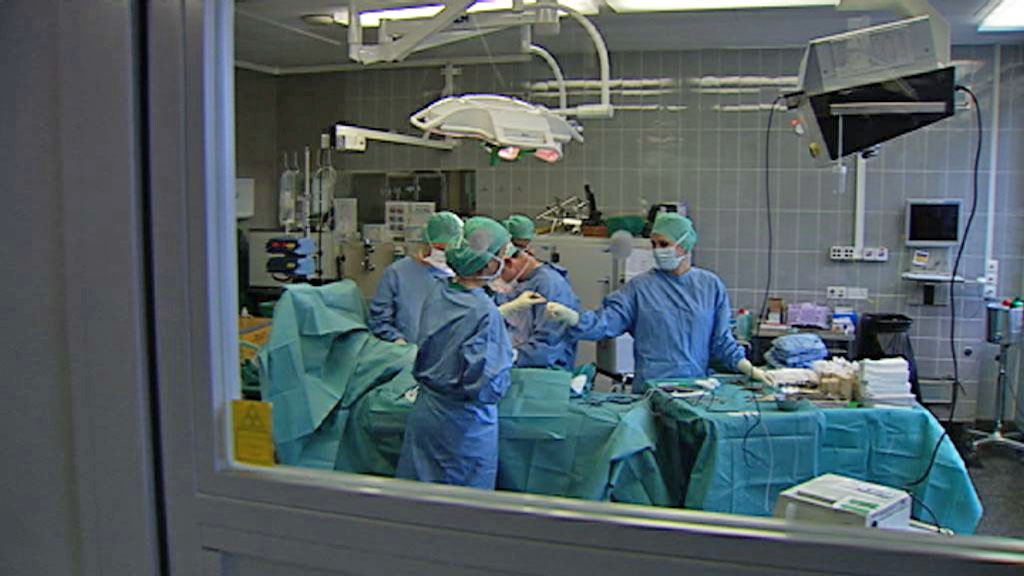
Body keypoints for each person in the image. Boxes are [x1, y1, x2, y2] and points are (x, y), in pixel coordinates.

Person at [545, 212, 769, 393]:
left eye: (664, 244)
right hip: (651, 392)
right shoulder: (639, 288)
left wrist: (749, 369)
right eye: (654, 244)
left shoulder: (710, 286)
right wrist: (576, 319)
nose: (657, 250)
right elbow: (607, 322)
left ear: (684, 245)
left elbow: (721, 341)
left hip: (695, 391)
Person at [395, 217, 517, 489]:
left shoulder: (439, 291)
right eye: (501, 256)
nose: (504, 262)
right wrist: (507, 360)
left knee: (418, 502)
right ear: (488, 264)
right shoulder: (484, 312)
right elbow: (488, 387)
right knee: (462, 508)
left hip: (426, 414)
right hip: (462, 426)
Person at [368, 211, 462, 345]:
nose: (444, 253)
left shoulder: (461, 277)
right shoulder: (398, 273)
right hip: (406, 352)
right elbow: (379, 319)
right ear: (426, 242)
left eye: (449, 249)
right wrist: (397, 341)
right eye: (439, 249)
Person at [492, 244, 581, 371]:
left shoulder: (550, 284)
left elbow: (548, 345)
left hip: (541, 372)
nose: (495, 279)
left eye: (497, 273)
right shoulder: (519, 282)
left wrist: (514, 356)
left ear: (509, 263)